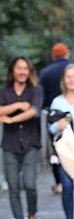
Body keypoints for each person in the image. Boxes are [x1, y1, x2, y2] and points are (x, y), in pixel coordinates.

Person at [0, 56, 44, 219]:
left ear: (29, 71)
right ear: (12, 70)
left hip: (31, 144)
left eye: (26, 68)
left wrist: (11, 118)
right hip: (10, 145)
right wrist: (19, 105)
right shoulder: (2, 91)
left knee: (30, 184)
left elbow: (34, 111)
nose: (22, 71)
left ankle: (32, 215)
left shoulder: (36, 90)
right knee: (13, 186)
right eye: (19, 68)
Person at [40, 43, 71, 194]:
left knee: (56, 150)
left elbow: (41, 96)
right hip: (68, 115)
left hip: (53, 116)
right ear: (67, 54)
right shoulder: (71, 69)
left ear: (53, 55)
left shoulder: (46, 72)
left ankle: (59, 181)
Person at [47, 63, 74, 219]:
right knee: (67, 185)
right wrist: (59, 124)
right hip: (66, 152)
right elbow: (50, 128)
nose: (72, 80)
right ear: (64, 80)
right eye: (69, 77)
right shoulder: (57, 101)